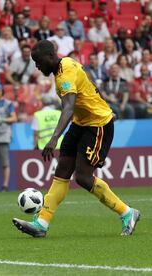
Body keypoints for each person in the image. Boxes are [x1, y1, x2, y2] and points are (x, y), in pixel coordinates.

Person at [13, 40, 140, 238]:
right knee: (62, 171)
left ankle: (127, 212)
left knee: (82, 177)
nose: (37, 66)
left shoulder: (66, 72)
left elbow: (69, 107)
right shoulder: (63, 68)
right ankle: (41, 224)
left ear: (49, 57)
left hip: (98, 125)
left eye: (38, 62)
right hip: (81, 123)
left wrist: (54, 137)